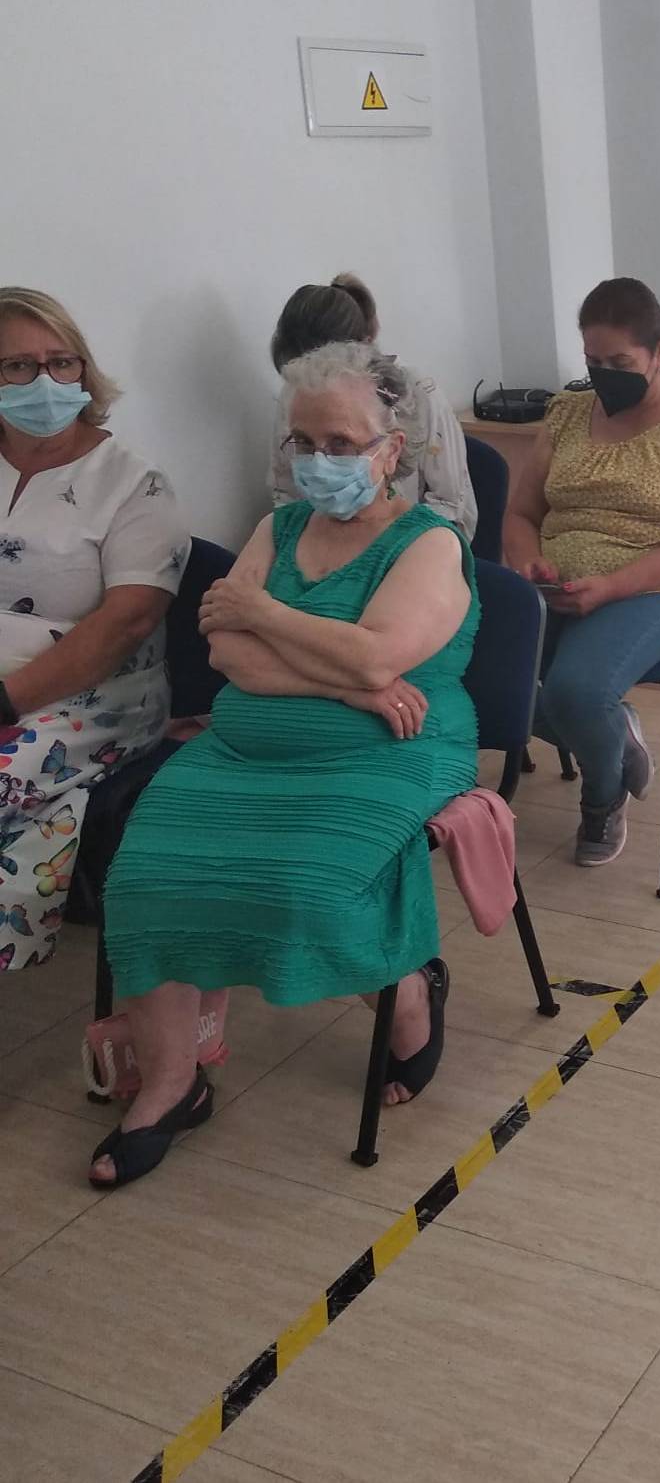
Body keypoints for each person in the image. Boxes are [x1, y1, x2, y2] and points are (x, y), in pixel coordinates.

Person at [93, 343, 478, 1187]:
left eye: (341, 443)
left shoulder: (429, 543)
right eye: (303, 442)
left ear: (393, 449)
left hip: (390, 750)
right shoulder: (280, 528)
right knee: (144, 878)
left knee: (311, 889)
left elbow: (378, 656)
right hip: (244, 746)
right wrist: (343, 684)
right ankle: (170, 1084)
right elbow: (227, 654)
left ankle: (409, 991)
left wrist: (268, 615)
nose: (317, 460)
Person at [503, 277, 660, 866]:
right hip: (556, 586)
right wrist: (528, 562)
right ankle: (613, 733)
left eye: (620, 362)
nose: (604, 374)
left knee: (575, 692)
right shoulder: (567, 414)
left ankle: (603, 796)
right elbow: (521, 512)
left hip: (659, 589)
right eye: (593, 361)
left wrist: (609, 587)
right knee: (463, 667)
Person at [0, 288, 187, 969]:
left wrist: (6, 701)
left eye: (62, 362)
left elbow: (126, 622)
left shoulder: (134, 484)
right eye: (18, 366)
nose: (44, 381)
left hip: (94, 697)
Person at [267, 273, 478, 538]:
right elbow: (286, 495)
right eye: (305, 442)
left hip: (408, 542)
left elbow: (451, 504)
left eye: (340, 442)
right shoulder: (296, 394)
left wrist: (388, 547)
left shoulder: (416, 392)